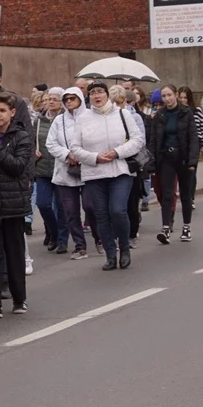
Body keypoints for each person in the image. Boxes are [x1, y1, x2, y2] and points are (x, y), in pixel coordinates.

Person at [68, 80, 144, 270]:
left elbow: (138, 140)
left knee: (117, 210)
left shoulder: (122, 114)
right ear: (89, 97)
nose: (97, 96)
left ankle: (124, 248)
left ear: (107, 95)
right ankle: (111, 255)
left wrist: (117, 152)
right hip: (94, 173)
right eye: (93, 93)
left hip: (120, 170)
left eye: (100, 92)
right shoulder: (83, 119)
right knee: (101, 215)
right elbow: (75, 148)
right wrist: (95, 157)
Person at [0, 93, 34, 318]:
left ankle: (19, 298)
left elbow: (17, 166)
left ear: (12, 113)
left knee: (14, 252)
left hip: (12, 202)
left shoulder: (21, 137)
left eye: (2, 110)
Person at [151, 85, 200, 244]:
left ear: (176, 95)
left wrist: (193, 160)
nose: (167, 99)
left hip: (183, 157)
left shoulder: (186, 113)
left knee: (186, 194)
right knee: (167, 194)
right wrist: (152, 162)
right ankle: (166, 228)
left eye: (169, 95)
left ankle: (187, 227)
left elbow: (193, 138)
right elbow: (154, 140)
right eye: (164, 96)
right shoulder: (160, 115)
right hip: (166, 157)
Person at [46, 87, 89, 260]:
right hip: (66, 171)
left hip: (88, 169)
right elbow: (51, 144)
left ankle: (101, 239)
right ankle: (80, 245)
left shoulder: (89, 118)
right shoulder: (59, 121)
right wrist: (67, 155)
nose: (69, 101)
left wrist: (82, 155)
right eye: (66, 99)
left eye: (73, 98)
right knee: (71, 211)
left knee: (92, 207)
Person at [34, 87, 66, 252]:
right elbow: (31, 139)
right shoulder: (39, 120)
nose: (50, 102)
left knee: (61, 206)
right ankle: (53, 232)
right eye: (48, 99)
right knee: (43, 203)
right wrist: (33, 150)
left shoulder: (66, 119)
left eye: (54, 99)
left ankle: (62, 240)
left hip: (61, 167)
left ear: (61, 102)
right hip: (42, 168)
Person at [115, 87, 147, 247]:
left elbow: (141, 141)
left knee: (131, 202)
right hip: (114, 164)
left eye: (120, 102)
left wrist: (126, 146)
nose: (117, 105)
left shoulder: (134, 117)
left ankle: (132, 234)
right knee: (117, 204)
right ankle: (119, 233)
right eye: (113, 102)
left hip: (132, 164)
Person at [178, 86, 203, 209]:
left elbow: (202, 128)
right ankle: (185, 195)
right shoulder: (176, 111)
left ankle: (191, 198)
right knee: (181, 173)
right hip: (181, 145)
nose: (183, 100)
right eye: (181, 97)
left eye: (185, 97)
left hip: (194, 144)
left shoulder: (197, 111)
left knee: (192, 172)